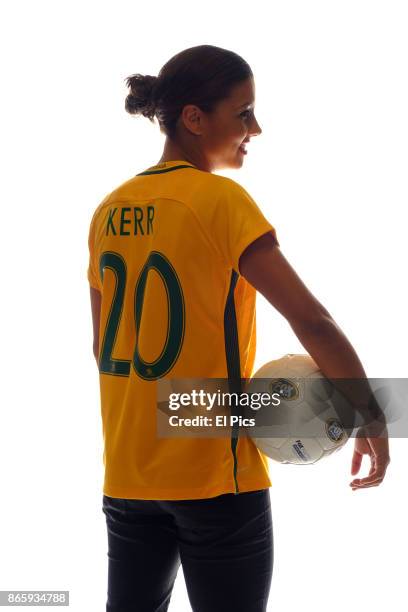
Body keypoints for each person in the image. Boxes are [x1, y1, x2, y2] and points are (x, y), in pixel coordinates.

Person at [87, 44, 390, 612]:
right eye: (244, 112)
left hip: (127, 476)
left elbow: (103, 346)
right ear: (194, 118)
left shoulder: (109, 209)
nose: (256, 128)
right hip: (213, 480)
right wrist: (370, 415)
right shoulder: (220, 201)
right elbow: (311, 320)